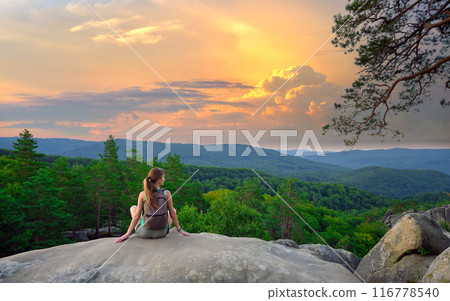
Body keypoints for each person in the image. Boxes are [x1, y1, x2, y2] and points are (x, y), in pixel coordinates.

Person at [115, 167, 191, 243]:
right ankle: (160, 227)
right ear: (159, 180)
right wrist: (180, 230)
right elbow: (173, 214)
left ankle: (144, 224)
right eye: (163, 177)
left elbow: (136, 216)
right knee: (173, 210)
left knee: (133, 208)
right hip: (162, 233)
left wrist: (127, 234)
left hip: (144, 233)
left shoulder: (143, 194)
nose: (164, 179)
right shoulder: (166, 193)